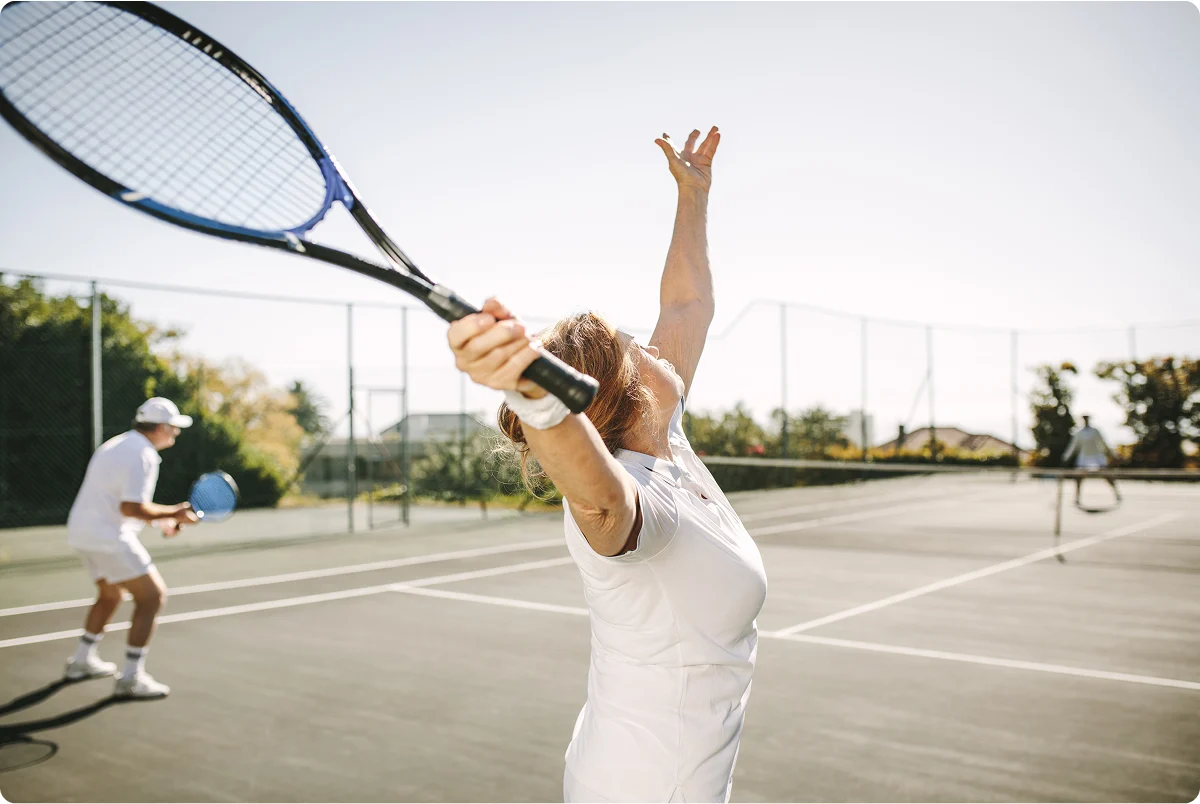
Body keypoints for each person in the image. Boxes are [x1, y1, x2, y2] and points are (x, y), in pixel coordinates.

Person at [448, 126, 768, 803]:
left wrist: (694, 198)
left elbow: (688, 303)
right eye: (637, 348)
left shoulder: (665, 438)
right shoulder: (635, 497)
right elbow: (600, 504)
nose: (657, 347)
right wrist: (537, 403)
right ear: (624, 394)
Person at [63, 397, 200, 698]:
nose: (176, 434)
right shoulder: (142, 454)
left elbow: (116, 502)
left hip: (82, 532)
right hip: (107, 536)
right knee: (152, 597)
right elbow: (131, 507)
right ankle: (130, 678)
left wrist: (162, 522)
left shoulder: (117, 444)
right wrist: (174, 514)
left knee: (111, 594)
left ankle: (81, 661)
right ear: (161, 427)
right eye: (174, 428)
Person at [1062, 414, 1121, 506]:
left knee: (1107, 475)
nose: (1085, 420)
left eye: (1087, 419)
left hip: (1096, 456)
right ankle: (1077, 497)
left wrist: (1113, 454)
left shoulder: (1095, 431)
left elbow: (1103, 443)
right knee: (1078, 477)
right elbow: (1073, 446)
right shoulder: (1079, 433)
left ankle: (1117, 494)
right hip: (1084, 458)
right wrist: (1066, 456)